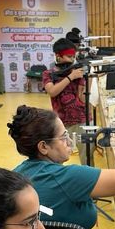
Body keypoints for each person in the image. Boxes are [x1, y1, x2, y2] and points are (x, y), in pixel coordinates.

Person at [42, 38, 90, 166]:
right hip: (61, 121)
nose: (71, 59)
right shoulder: (48, 74)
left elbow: (81, 97)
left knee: (87, 157)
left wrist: (87, 82)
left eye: (73, 56)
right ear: (58, 55)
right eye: (69, 56)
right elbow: (52, 91)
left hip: (81, 119)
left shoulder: (76, 71)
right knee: (57, 158)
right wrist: (71, 77)